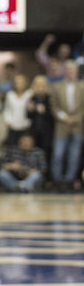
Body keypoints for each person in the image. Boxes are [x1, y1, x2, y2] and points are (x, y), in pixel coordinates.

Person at [48, 59, 84, 190]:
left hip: (77, 126)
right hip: (61, 126)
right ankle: (57, 181)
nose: (71, 72)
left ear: (76, 71)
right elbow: (54, 106)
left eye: (73, 70)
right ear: (65, 71)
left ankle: (69, 182)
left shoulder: (82, 86)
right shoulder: (57, 86)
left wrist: (76, 118)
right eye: (69, 70)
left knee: (74, 156)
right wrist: (65, 118)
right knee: (58, 154)